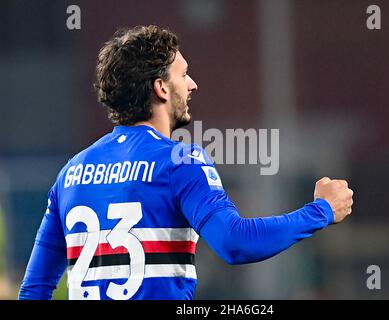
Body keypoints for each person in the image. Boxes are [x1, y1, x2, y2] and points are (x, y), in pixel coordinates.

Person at [18, 25, 353, 300]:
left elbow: (34, 290)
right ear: (161, 88)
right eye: (184, 74)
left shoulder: (71, 173)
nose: (193, 84)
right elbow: (236, 243)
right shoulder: (180, 159)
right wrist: (321, 210)